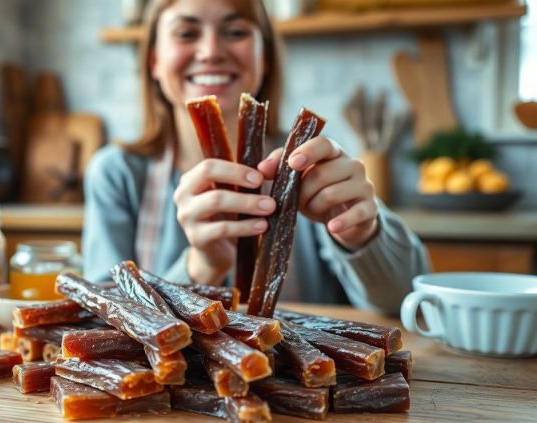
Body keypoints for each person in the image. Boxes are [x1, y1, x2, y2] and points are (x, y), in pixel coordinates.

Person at [82, 0, 430, 314]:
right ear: (154, 61)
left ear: (265, 59)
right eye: (186, 32)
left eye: (235, 31)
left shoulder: (314, 166)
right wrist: (201, 265)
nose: (210, 51)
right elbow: (102, 319)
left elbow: (412, 303)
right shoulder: (116, 173)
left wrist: (362, 234)